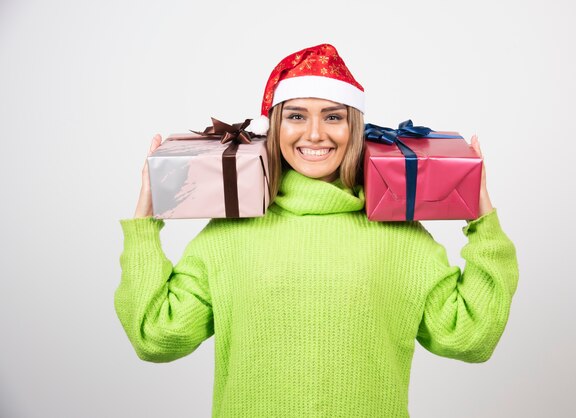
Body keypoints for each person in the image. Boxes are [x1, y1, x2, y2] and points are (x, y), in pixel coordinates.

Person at [115, 43, 519, 417]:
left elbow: (471, 337)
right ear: (273, 128)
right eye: (295, 116)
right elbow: (156, 336)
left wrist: (481, 216)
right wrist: (145, 223)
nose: (314, 134)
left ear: (355, 128)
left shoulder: (403, 238)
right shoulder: (227, 235)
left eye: (333, 116)